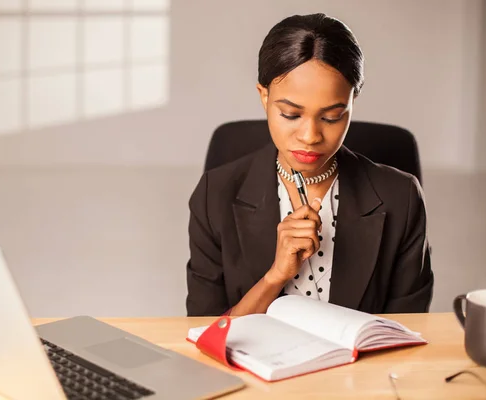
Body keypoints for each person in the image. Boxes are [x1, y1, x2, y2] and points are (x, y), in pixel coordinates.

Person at [185, 13, 434, 317]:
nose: (310, 136)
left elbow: (407, 332)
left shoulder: (401, 196)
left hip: (363, 366)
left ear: (352, 102)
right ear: (264, 97)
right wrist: (275, 276)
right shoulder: (215, 194)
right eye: (291, 114)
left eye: (332, 116)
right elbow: (206, 335)